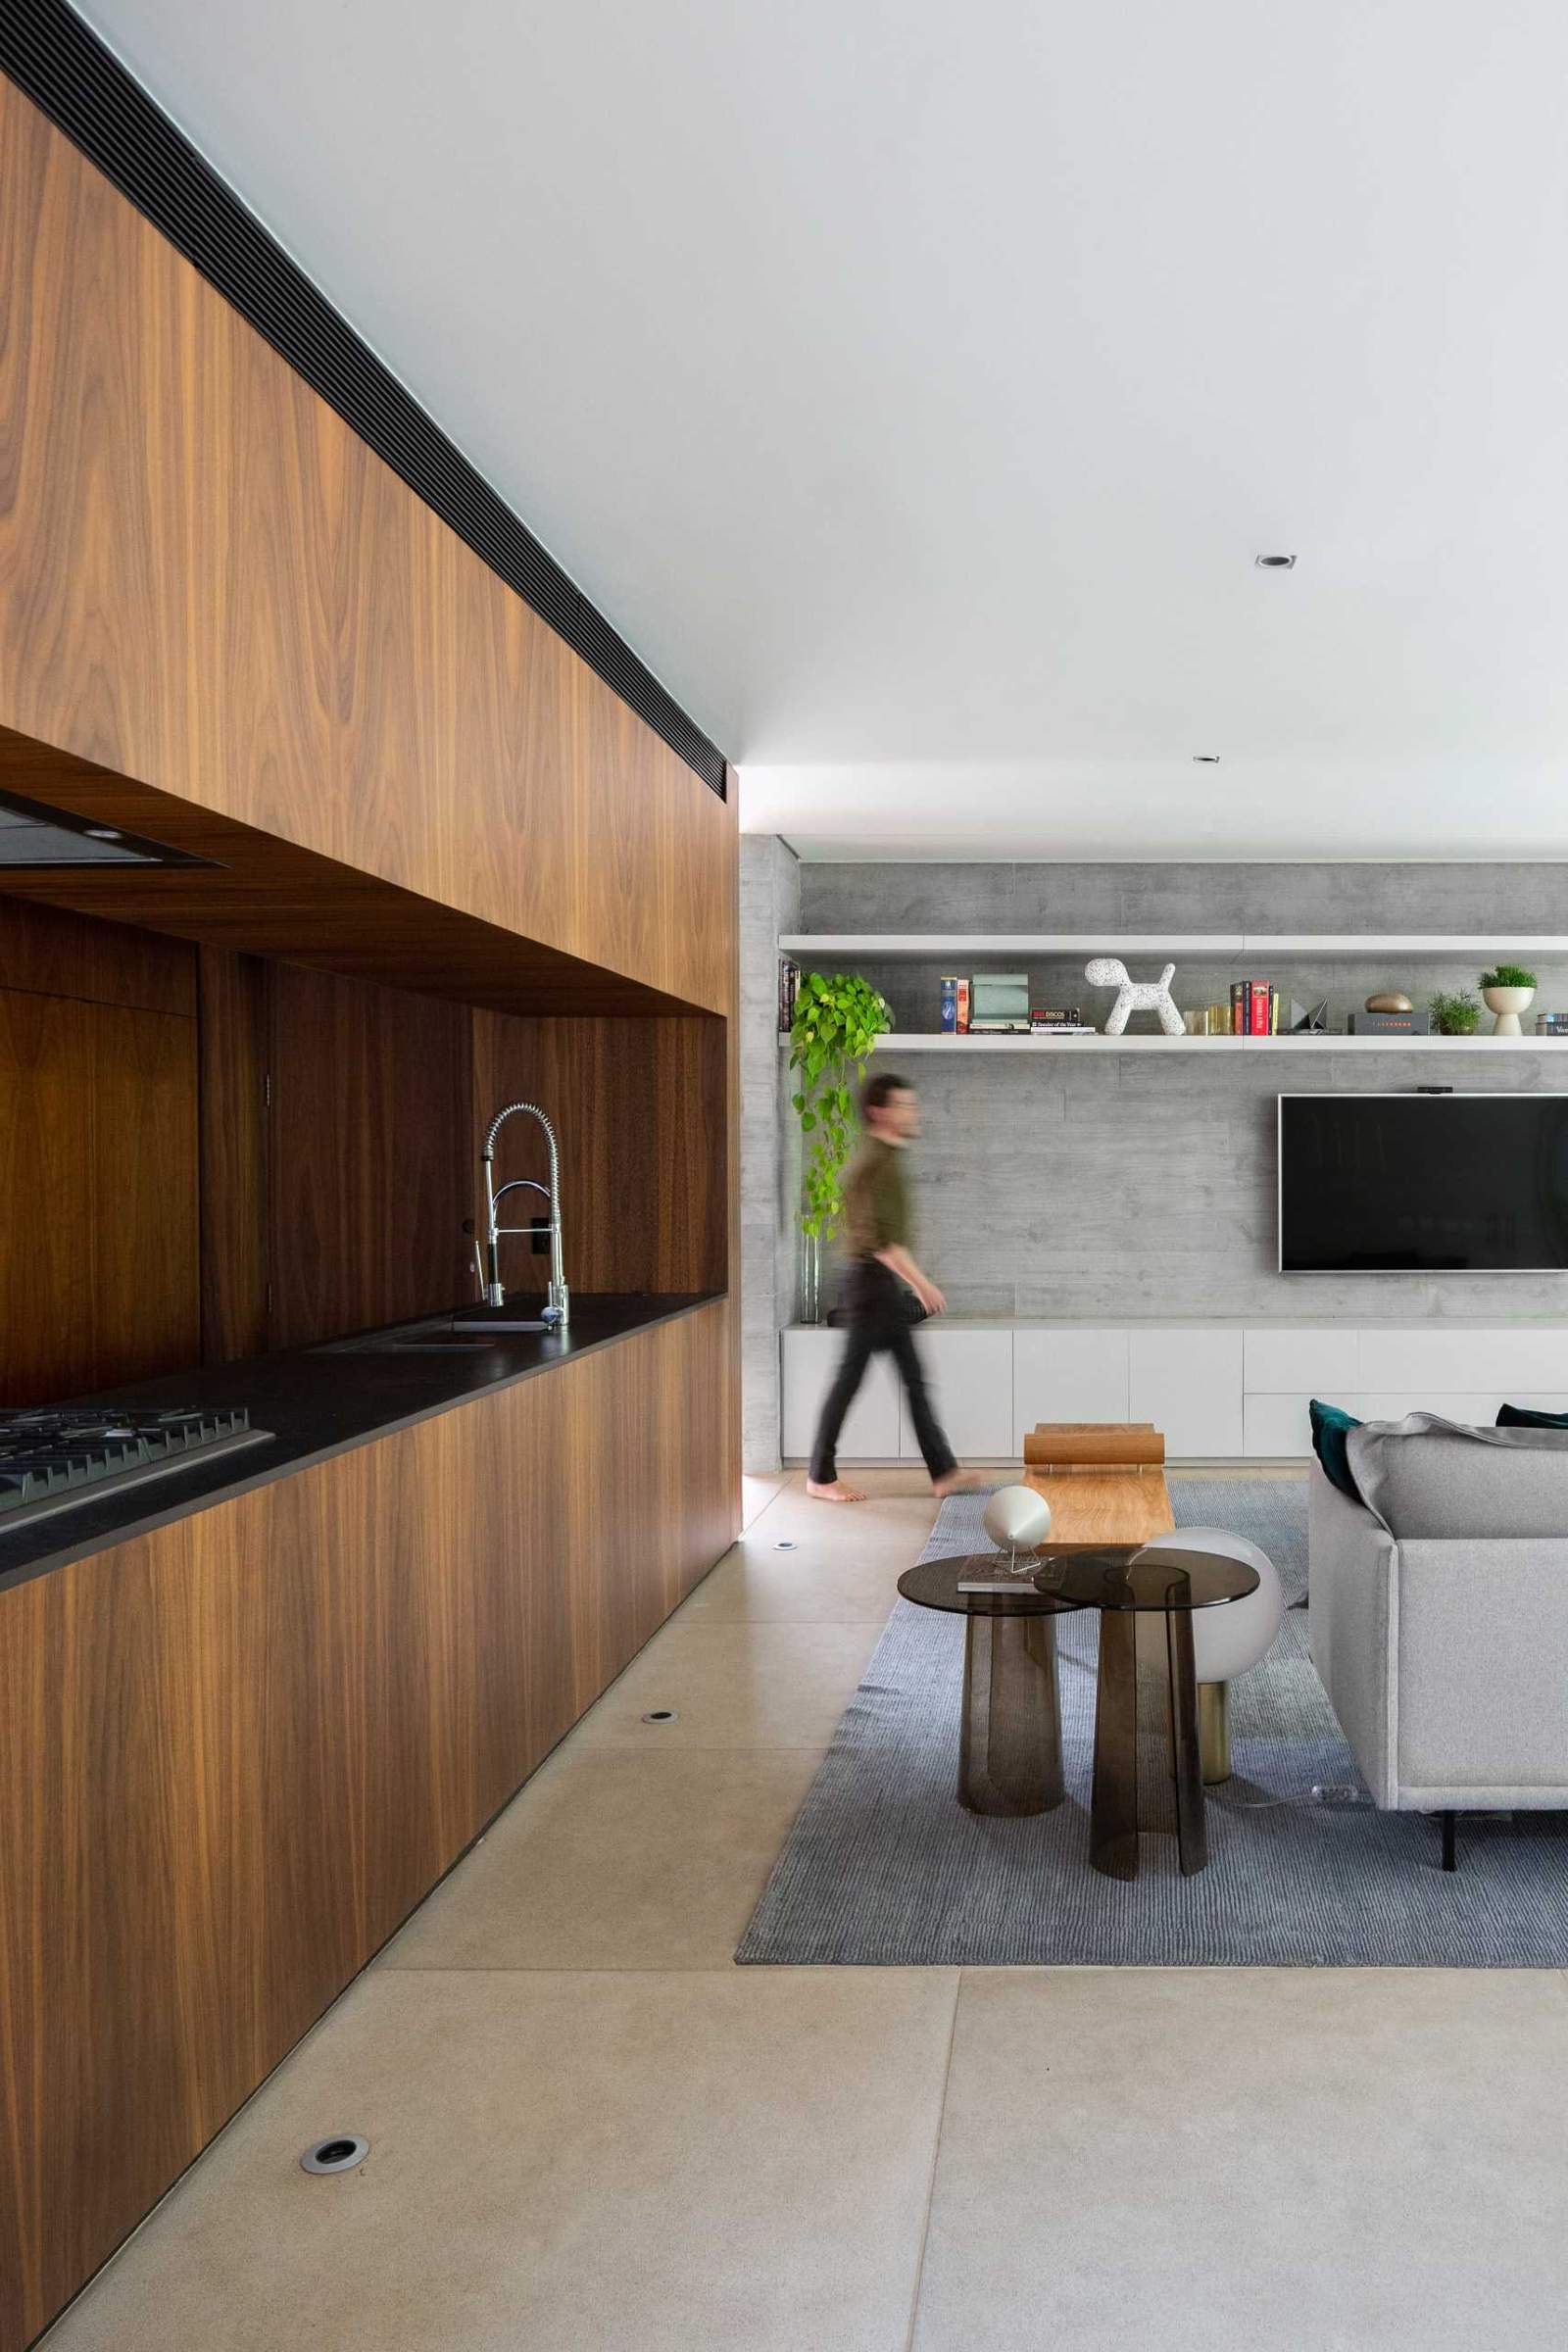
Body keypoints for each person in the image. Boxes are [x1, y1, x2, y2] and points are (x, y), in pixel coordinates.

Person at [807, 1071, 968, 1503]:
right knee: (853, 1380)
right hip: (870, 1285)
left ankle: (944, 1473)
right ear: (879, 1111)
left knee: (910, 1379)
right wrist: (922, 1284)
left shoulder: (887, 1159)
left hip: (878, 1286)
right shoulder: (873, 1165)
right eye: (903, 1105)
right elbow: (880, 1244)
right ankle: (820, 1477)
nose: (912, 1112)